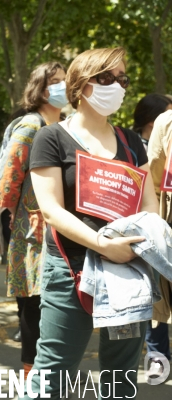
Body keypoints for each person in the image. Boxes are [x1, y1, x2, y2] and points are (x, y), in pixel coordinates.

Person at [22, 47, 159, 399]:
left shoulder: (132, 143)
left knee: (121, 375)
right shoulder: (51, 138)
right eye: (106, 78)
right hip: (72, 269)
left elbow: (149, 203)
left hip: (129, 270)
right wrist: (102, 245)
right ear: (80, 85)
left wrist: (144, 243)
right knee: (52, 372)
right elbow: (51, 209)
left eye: (122, 79)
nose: (117, 86)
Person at [0, 61, 67, 375]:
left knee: (55, 307)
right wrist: (17, 214)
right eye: (56, 81)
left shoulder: (66, 125)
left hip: (60, 228)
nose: (62, 86)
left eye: (65, 80)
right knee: (33, 307)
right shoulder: (31, 124)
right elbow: (10, 176)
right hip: (32, 230)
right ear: (41, 88)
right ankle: (31, 377)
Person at [144, 108, 172, 366]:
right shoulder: (166, 121)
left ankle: (158, 363)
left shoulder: (166, 121)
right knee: (157, 297)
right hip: (165, 224)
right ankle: (158, 360)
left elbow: (154, 174)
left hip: (166, 225)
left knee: (158, 297)